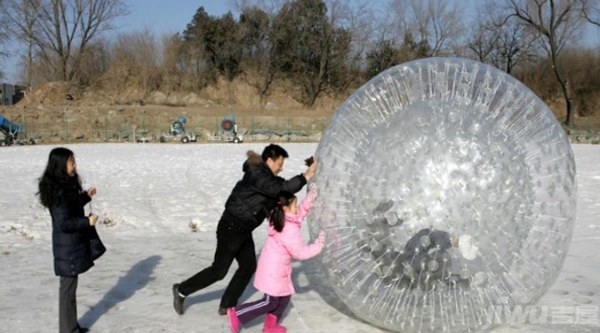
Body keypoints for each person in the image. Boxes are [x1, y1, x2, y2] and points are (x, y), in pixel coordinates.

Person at [172, 144, 317, 316]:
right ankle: (181, 290)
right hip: (231, 227)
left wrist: (311, 175)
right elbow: (277, 188)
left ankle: (228, 304)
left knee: (248, 267)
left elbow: (283, 190)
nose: (281, 167)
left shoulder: (268, 178)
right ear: (269, 160)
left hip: (243, 229)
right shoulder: (256, 174)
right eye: (280, 163)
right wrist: (305, 177)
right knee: (219, 271)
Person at [227, 185, 325, 333]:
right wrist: (318, 245)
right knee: (270, 301)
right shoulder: (288, 229)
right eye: (294, 205)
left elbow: (299, 214)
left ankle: (270, 326)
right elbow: (300, 253)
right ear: (285, 209)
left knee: (284, 298)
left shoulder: (283, 217)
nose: (297, 208)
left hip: (278, 268)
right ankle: (237, 313)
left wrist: (310, 199)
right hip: (272, 270)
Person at [37, 147, 105, 333]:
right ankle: (67, 330)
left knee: (70, 291)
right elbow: (64, 223)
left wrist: (85, 196)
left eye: (74, 161)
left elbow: (71, 207)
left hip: (71, 246)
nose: (75, 165)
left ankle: (71, 327)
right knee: (67, 292)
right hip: (66, 249)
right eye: (71, 162)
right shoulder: (58, 191)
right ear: (60, 165)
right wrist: (87, 221)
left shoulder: (64, 186)